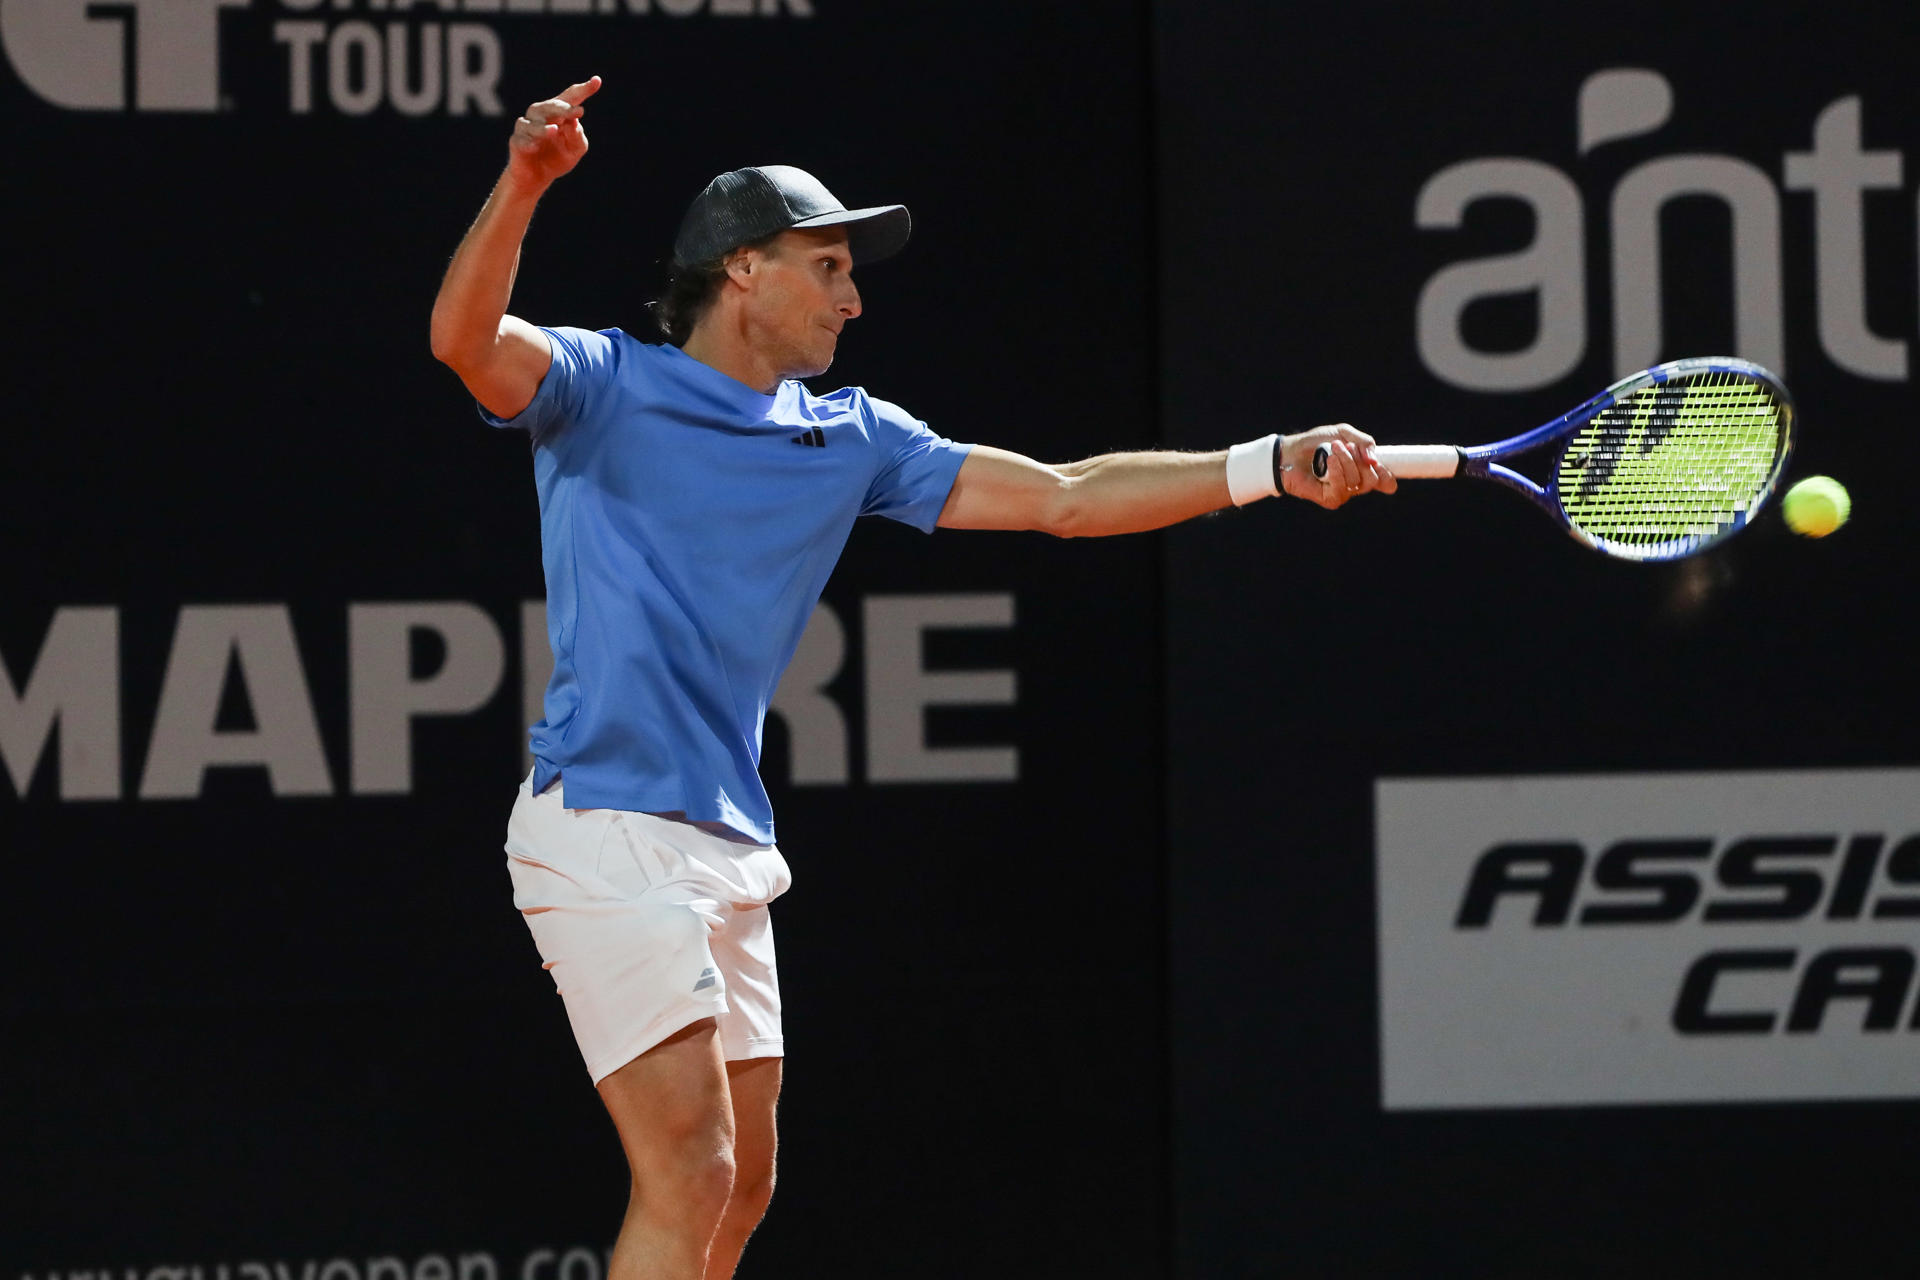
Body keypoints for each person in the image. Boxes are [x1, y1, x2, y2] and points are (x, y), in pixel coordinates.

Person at [429, 75, 1395, 1280]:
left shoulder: (851, 438)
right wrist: (525, 183)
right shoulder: (601, 383)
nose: (854, 295)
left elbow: (1064, 496)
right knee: (689, 1171)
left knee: (743, 1188)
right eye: (827, 265)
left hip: (723, 834)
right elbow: (464, 341)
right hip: (604, 820)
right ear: (741, 268)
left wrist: (1260, 466)